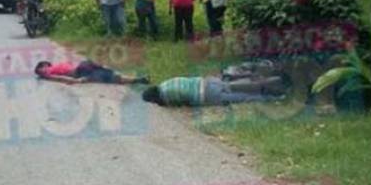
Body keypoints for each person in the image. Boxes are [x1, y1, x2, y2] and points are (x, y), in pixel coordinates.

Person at [141, 75, 288, 107]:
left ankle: (271, 98)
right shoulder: (166, 81)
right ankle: (274, 81)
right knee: (240, 85)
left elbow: (185, 102)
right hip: (207, 81)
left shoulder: (165, 97)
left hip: (206, 95)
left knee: (240, 97)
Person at [35, 60, 149, 85]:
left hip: (81, 70)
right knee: (107, 75)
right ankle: (137, 79)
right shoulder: (48, 74)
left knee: (109, 75)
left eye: (42, 69)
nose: (42, 71)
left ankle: (138, 79)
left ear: (45, 64)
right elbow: (58, 78)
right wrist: (74, 81)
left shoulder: (53, 66)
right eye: (40, 72)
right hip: (79, 72)